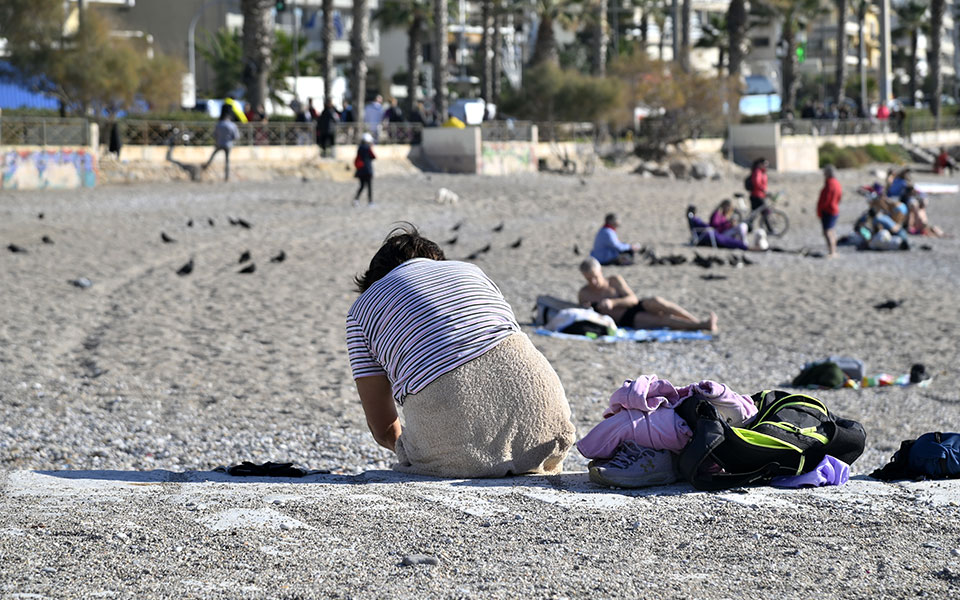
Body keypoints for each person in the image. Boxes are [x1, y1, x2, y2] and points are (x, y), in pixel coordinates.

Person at [346, 226, 576, 477]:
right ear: (436, 261)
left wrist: (412, 448)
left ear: (373, 280)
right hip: (549, 430)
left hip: (459, 449)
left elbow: (382, 427)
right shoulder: (471, 271)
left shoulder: (361, 309)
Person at [578, 258, 719, 333]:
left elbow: (632, 299)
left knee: (659, 302)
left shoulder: (614, 280)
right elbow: (583, 315)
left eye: (595, 277)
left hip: (635, 305)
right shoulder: (584, 293)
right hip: (626, 318)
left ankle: (696, 322)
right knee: (663, 319)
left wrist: (612, 303)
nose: (594, 282)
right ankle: (702, 326)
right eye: (589, 279)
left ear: (600, 270)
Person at [204, 106, 239, 182]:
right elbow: (236, 136)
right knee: (227, 161)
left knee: (213, 155)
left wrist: (217, 140)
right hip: (228, 145)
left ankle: (205, 167)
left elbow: (214, 135)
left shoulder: (219, 124)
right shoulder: (233, 125)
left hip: (219, 143)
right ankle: (226, 176)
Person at [817, 165, 842, 258]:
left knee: (828, 232)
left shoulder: (830, 184)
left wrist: (821, 209)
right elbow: (839, 196)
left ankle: (832, 252)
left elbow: (826, 199)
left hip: (829, 210)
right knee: (831, 231)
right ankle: (833, 250)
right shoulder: (835, 183)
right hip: (833, 209)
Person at [353, 132, 376, 206]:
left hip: (360, 170)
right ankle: (370, 202)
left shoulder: (359, 148)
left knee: (362, 186)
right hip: (368, 170)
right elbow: (373, 156)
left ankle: (356, 200)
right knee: (369, 186)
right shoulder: (368, 148)